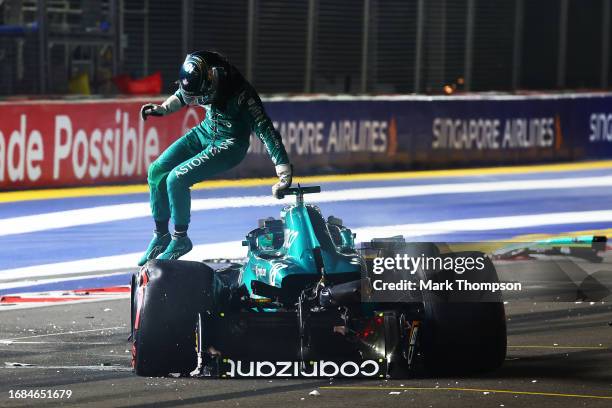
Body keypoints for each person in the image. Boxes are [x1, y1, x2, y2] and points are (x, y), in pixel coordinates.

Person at [138, 50, 292, 265]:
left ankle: (180, 238)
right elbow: (185, 94)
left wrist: (283, 171)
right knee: (156, 170)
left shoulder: (242, 94)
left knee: (176, 179)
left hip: (229, 144)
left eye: (200, 97)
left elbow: (266, 130)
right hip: (205, 131)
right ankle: (161, 235)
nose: (197, 101)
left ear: (215, 80)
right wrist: (163, 109)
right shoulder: (203, 76)